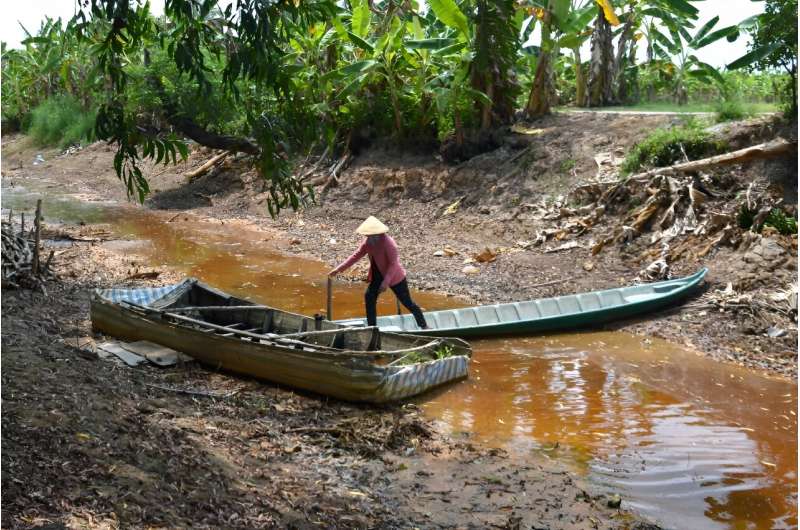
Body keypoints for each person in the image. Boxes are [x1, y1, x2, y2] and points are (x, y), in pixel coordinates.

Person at [329, 216, 429, 329]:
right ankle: (372, 328)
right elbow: (356, 255)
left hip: (395, 277)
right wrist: (339, 269)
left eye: (369, 234)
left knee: (407, 303)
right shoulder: (368, 242)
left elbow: (393, 264)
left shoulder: (388, 243)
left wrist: (385, 283)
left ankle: (424, 326)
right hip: (377, 275)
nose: (366, 236)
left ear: (376, 233)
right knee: (369, 298)